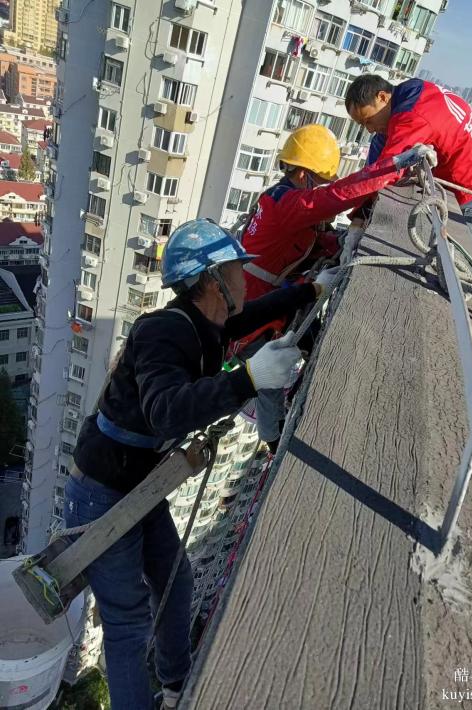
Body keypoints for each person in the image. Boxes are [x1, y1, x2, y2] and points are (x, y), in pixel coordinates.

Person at [64, 219, 324, 710]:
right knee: (126, 623)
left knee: (175, 580)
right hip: (102, 492)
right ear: (211, 280)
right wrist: (248, 378)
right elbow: (165, 410)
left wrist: (310, 288)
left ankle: (177, 685)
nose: (245, 278)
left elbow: (250, 316)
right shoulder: (165, 332)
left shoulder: (200, 321)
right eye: (235, 270)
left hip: (133, 481)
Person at [238, 123, 429, 448]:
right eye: (320, 180)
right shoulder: (290, 204)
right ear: (302, 174)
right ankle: (273, 439)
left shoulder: (285, 200)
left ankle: (310, 390)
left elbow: (312, 241)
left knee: (310, 341)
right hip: (254, 316)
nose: (323, 186)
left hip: (273, 301)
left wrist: (343, 240)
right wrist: (393, 165)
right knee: (267, 378)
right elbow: (334, 198)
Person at [344, 74, 472, 264]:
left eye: (368, 121)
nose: (369, 129)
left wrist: (356, 219)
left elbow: (382, 174)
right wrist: (360, 215)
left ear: (382, 97)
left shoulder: (413, 115)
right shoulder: (413, 93)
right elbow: (377, 161)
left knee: (458, 265)